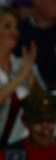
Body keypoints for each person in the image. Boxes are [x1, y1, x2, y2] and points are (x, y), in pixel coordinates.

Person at [0, 8, 43, 145]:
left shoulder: (24, 64)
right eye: (7, 26)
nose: (15, 32)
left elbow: (43, 105)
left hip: (18, 147)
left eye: (16, 27)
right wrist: (20, 77)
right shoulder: (22, 70)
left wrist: (31, 80)